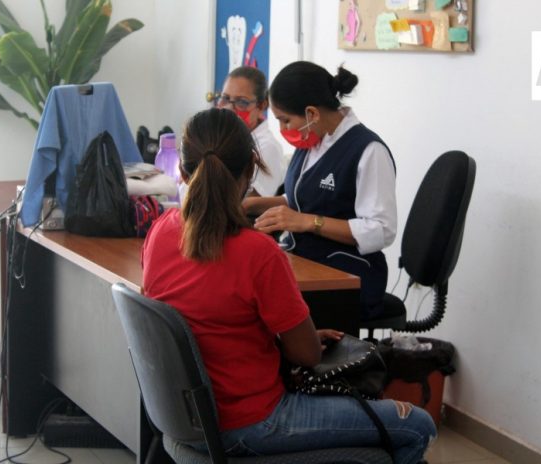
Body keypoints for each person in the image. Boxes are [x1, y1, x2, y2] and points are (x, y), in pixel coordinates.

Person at [142, 108, 435, 462]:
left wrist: (288, 337)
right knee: (417, 425)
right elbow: (308, 355)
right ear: (251, 169)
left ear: (183, 171)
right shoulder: (258, 252)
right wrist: (302, 337)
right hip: (252, 422)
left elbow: (210, 325)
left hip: (185, 421)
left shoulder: (160, 231)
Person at [243, 61, 397, 321]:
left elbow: (381, 230)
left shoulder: (368, 150)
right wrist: (251, 205)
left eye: (285, 120)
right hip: (306, 260)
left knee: (265, 309)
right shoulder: (311, 141)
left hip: (349, 274)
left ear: (312, 113)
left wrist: (308, 222)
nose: (283, 130)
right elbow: (301, 199)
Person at [216, 66, 287, 196]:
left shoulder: (267, 148)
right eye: (225, 98)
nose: (229, 108)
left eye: (242, 102)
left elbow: (248, 201)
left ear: (262, 105)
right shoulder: (222, 138)